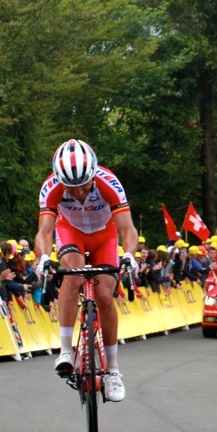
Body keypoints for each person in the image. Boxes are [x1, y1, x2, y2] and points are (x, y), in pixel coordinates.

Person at [35, 139, 139, 402]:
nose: (79, 192)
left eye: (83, 184)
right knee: (73, 274)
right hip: (71, 231)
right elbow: (44, 231)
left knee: (105, 296)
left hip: (105, 234)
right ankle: (66, 350)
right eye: (72, 187)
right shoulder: (51, 187)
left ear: (93, 174)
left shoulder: (108, 182)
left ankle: (113, 370)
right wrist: (44, 257)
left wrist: (128, 255)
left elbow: (127, 228)